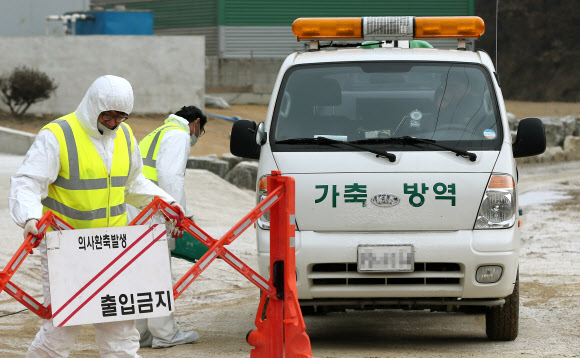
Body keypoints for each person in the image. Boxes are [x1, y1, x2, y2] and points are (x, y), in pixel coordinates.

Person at [9, 75, 184, 357]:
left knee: (121, 331)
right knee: (61, 331)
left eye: (121, 116)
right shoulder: (58, 134)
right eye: (108, 115)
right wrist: (29, 217)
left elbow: (133, 183)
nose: (114, 122)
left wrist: (167, 203)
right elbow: (28, 182)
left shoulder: (124, 136)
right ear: (93, 106)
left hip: (112, 247)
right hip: (65, 248)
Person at [128, 106, 206, 349]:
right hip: (154, 211)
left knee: (142, 271)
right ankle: (165, 334)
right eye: (199, 131)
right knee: (158, 271)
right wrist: (178, 215)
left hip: (137, 210)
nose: (196, 137)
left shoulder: (159, 132)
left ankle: (141, 333)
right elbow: (171, 176)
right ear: (195, 123)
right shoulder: (179, 135)